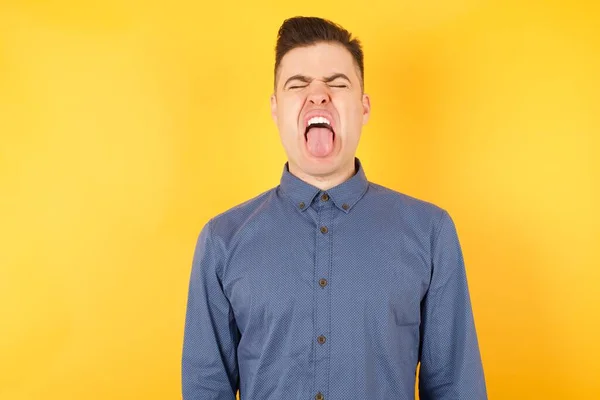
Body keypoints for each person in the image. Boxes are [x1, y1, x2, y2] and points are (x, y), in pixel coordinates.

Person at [182, 16, 487, 400]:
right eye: (298, 85)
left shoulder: (431, 232)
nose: (318, 94)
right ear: (276, 109)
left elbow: (455, 388)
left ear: (364, 107)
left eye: (337, 83)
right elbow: (206, 389)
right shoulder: (222, 241)